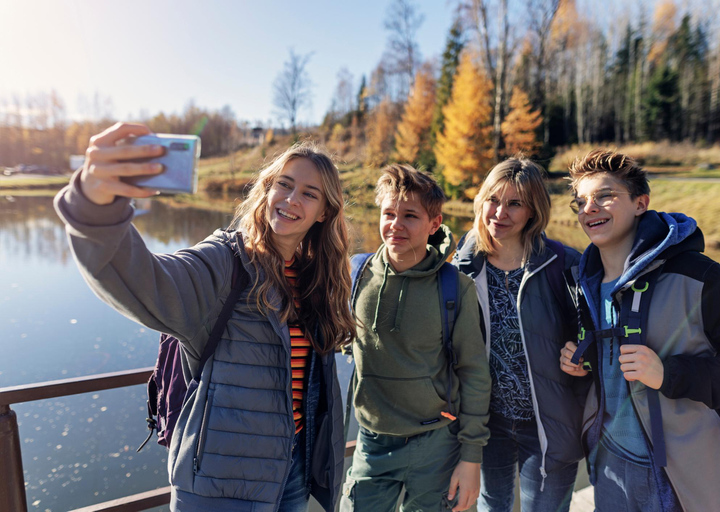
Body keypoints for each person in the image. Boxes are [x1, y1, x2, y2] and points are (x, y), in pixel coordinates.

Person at [54, 122, 356, 512]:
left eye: (309, 193)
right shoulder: (224, 261)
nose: (291, 198)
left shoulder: (318, 278)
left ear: (323, 212)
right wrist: (93, 203)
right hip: (220, 485)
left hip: (292, 474)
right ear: (267, 189)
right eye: (284, 184)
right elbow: (140, 280)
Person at [559, 149, 720, 512]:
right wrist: (585, 360)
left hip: (684, 475)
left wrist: (669, 373)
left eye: (605, 196)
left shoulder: (697, 275)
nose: (588, 208)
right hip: (607, 465)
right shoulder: (583, 281)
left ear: (641, 203)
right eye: (581, 201)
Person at [339, 164, 491, 512]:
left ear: (434, 224)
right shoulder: (355, 274)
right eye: (389, 213)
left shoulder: (456, 288)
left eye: (410, 215)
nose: (396, 225)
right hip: (371, 443)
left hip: (435, 445)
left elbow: (475, 375)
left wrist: (470, 458)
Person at [452, 158, 587, 512]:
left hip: (549, 423)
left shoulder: (564, 264)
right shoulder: (462, 267)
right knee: (490, 507)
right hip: (486, 422)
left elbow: (593, 330)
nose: (499, 212)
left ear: (533, 211)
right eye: (493, 200)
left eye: (514, 203)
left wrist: (583, 355)